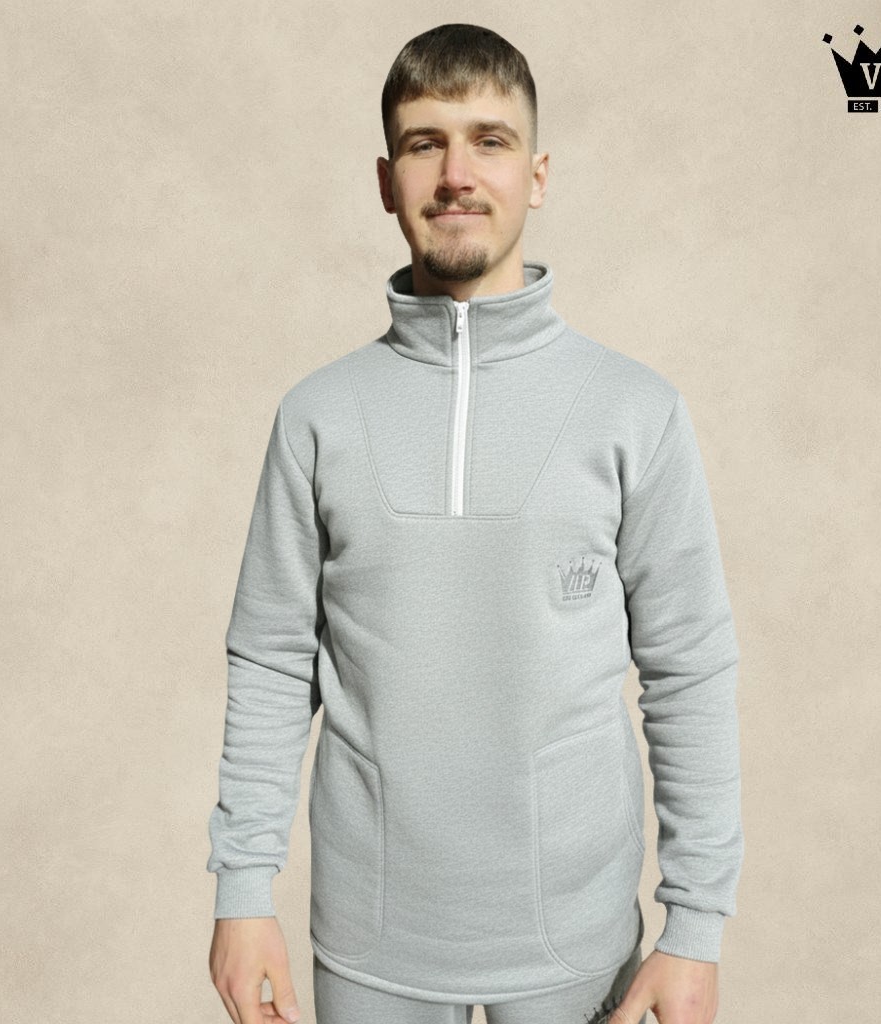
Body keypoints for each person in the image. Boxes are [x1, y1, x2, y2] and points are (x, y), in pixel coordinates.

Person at [206, 22, 743, 1024]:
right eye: (426, 143)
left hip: (577, 946)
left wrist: (695, 927)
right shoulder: (318, 416)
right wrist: (242, 890)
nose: (456, 173)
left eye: (489, 141)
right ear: (386, 180)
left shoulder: (635, 411)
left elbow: (690, 668)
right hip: (370, 945)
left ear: (536, 176)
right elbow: (272, 658)